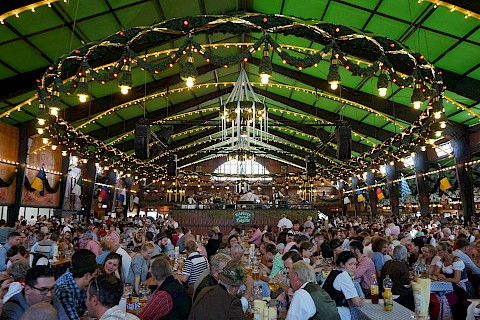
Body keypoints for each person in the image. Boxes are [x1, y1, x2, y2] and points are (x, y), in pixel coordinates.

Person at [55, 249, 98, 320]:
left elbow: (88, 311)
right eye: (94, 276)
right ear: (87, 276)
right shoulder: (65, 291)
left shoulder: (81, 286)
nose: (95, 279)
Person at [323, 251, 364, 320]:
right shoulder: (343, 276)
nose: (354, 267)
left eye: (355, 264)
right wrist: (360, 300)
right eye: (350, 264)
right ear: (342, 264)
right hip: (338, 313)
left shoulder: (335, 272)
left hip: (327, 311)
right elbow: (357, 302)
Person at [381, 245, 414, 311]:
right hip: (398, 294)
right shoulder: (402, 265)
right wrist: (414, 281)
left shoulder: (387, 263)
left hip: (385, 292)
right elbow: (406, 285)